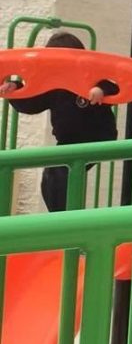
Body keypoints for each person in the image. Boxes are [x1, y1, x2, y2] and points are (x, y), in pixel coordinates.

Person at [0, 31, 119, 212]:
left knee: (61, 171)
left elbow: (114, 86)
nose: (62, 70)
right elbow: (32, 102)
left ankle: (66, 217)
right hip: (68, 142)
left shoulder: (89, 78)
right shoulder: (53, 85)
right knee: (50, 176)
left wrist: (101, 90)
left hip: (98, 137)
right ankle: (58, 215)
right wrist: (15, 88)